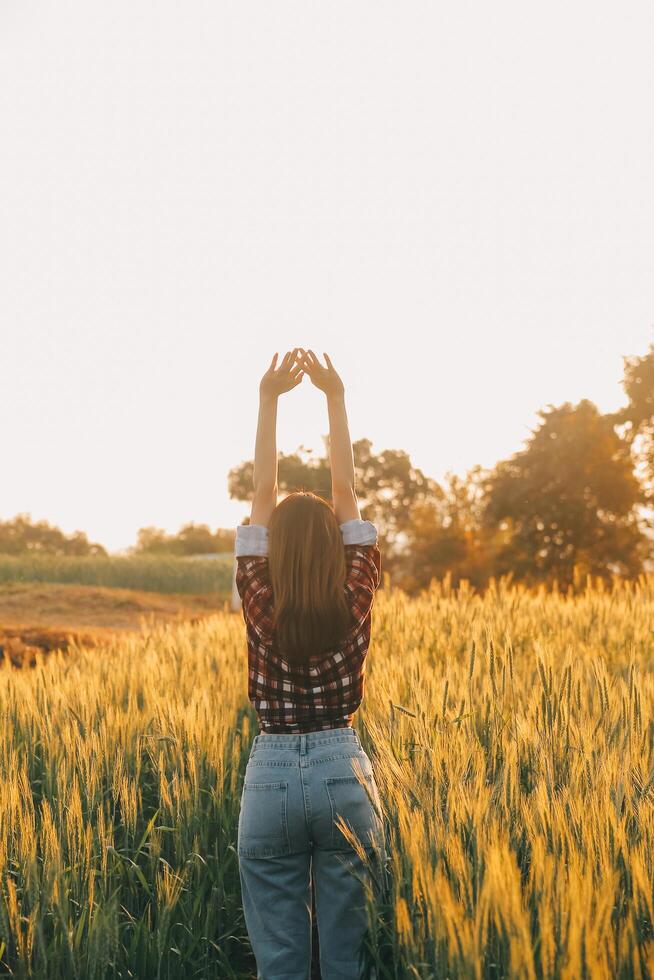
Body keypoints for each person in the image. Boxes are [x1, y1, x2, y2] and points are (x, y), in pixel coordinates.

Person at [234, 347, 387, 980]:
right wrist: (335, 399)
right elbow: (346, 492)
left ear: (270, 552)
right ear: (335, 546)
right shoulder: (356, 588)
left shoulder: (256, 588)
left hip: (270, 772)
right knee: (348, 960)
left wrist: (269, 400)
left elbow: (263, 491)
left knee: (281, 963)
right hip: (342, 767)